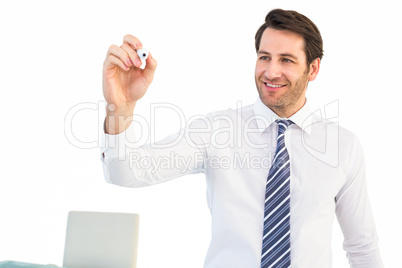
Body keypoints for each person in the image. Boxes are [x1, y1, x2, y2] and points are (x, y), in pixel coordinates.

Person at [100, 9, 383, 268]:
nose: (271, 72)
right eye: (264, 57)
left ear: (313, 69)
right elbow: (126, 173)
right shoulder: (217, 131)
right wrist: (121, 107)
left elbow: (362, 247)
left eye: (286, 60)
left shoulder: (343, 147)